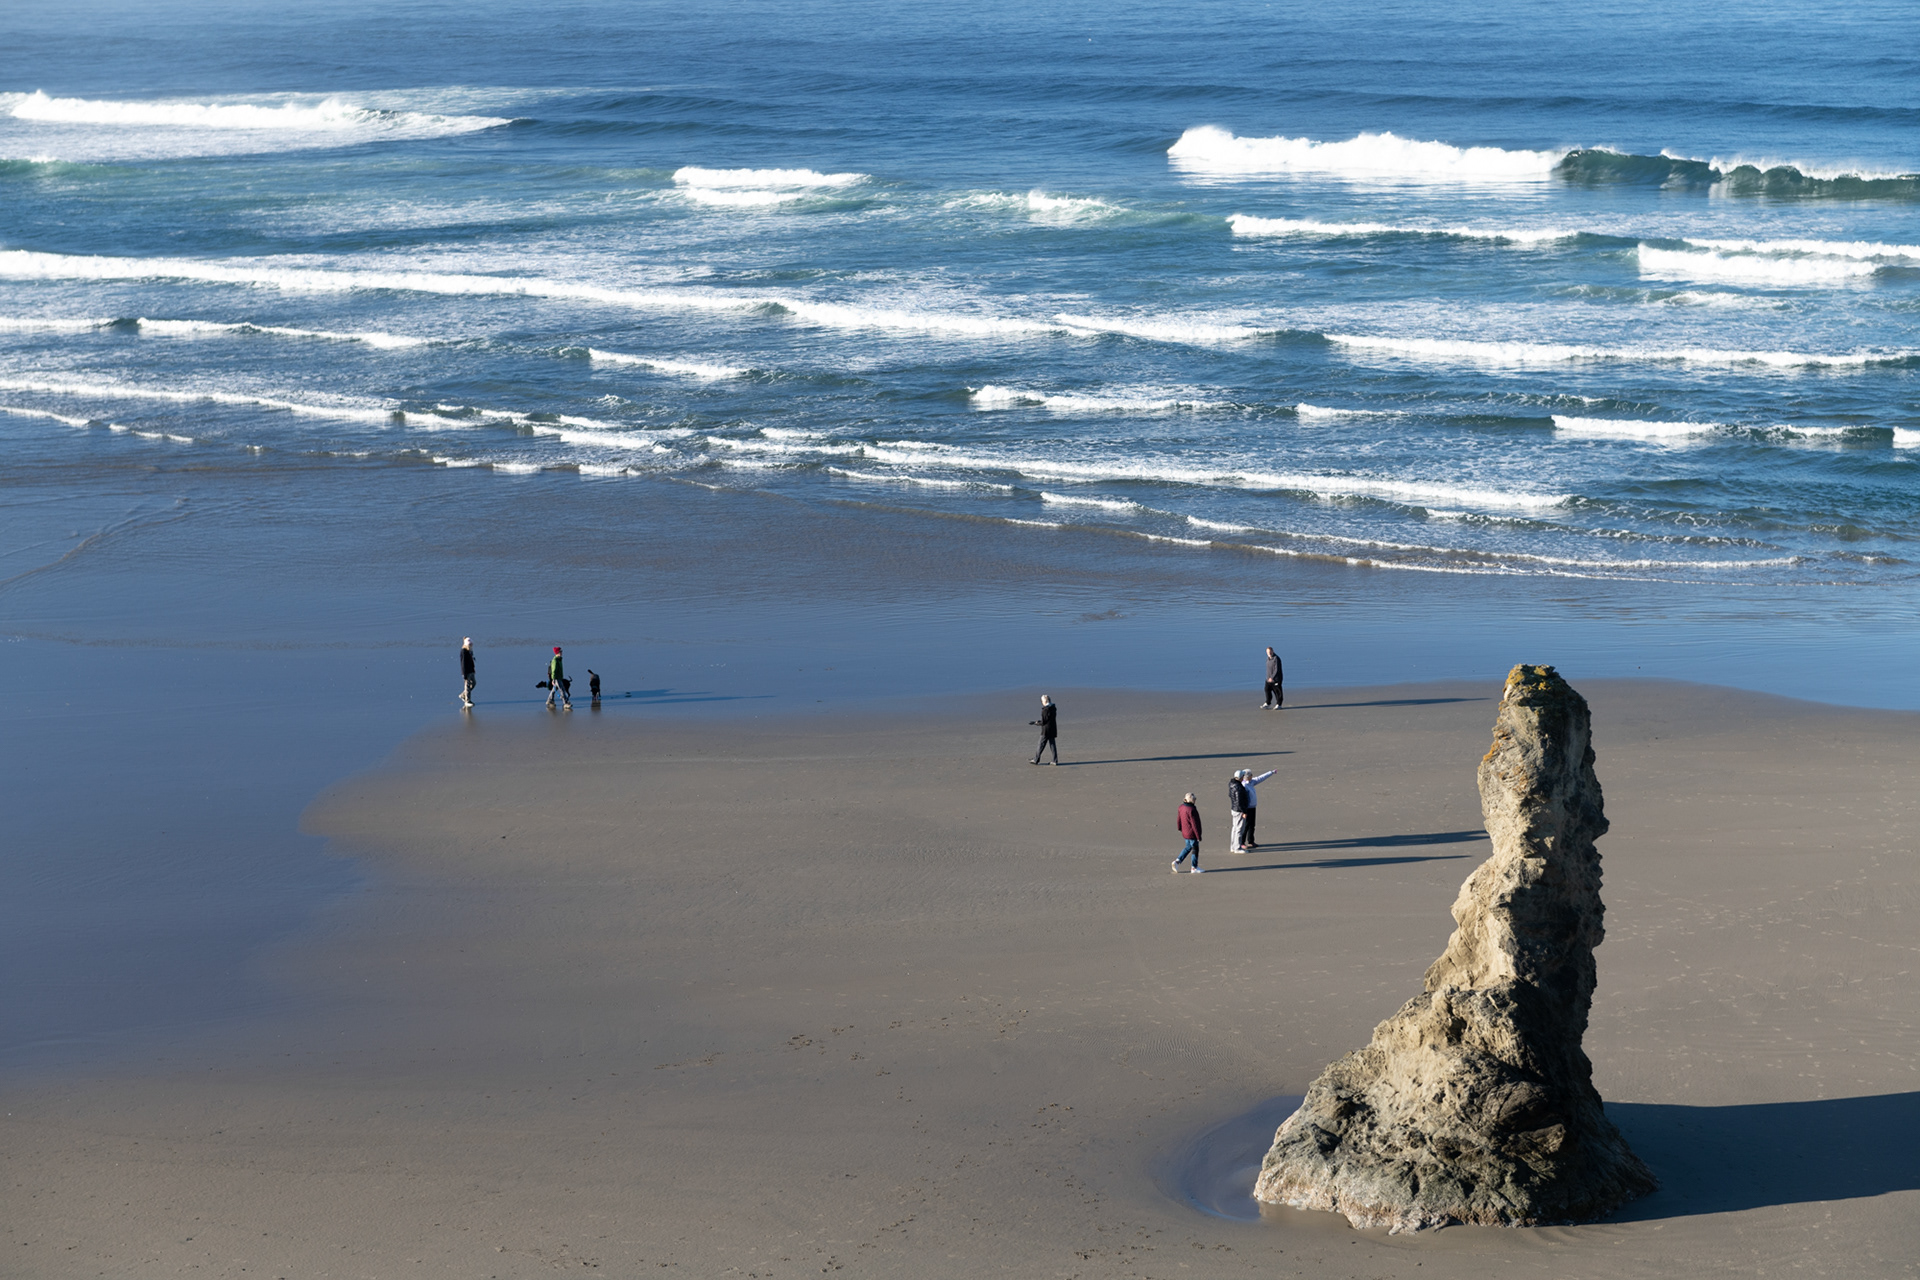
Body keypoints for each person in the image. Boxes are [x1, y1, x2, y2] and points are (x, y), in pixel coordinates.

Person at [1240, 767, 1275, 850]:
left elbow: (1261, 778)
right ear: (1247, 776)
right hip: (1247, 808)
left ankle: (1251, 841)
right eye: (1251, 775)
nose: (1252, 775)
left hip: (1253, 807)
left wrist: (1271, 772)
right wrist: (1243, 810)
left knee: (1252, 825)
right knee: (1246, 826)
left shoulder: (1252, 782)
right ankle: (1242, 842)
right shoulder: (1244, 785)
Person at [1173, 792, 1204, 873]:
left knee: (1188, 847)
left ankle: (1177, 861)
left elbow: (1178, 819)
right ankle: (1194, 867)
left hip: (1185, 832)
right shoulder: (1192, 810)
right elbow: (1195, 824)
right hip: (1192, 833)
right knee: (1195, 849)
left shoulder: (1181, 807)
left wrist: (1179, 828)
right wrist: (1198, 836)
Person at [1029, 694, 1058, 765]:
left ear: (1044, 702)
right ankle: (1055, 760)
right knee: (1052, 745)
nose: (1042, 702)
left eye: (1042, 701)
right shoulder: (1053, 708)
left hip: (1046, 730)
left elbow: (1043, 722)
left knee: (1040, 744)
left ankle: (1036, 759)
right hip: (1053, 728)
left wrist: (1036, 723)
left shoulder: (1045, 710)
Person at [1227, 770, 1249, 852]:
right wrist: (1244, 811)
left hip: (1234, 809)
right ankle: (1237, 848)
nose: (1243, 777)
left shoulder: (1232, 784)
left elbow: (1230, 795)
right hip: (1239, 810)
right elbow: (1240, 801)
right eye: (1243, 776)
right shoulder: (1238, 787)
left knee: (1235, 828)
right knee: (1239, 829)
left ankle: (1233, 846)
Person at [459, 636, 476, 707]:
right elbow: (463, 664)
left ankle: (463, 695)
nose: (471, 646)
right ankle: (467, 701)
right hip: (466, 672)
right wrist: (464, 674)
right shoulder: (463, 651)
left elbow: (471, 661)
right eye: (470, 645)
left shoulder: (469, 651)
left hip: (471, 670)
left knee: (474, 683)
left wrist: (473, 669)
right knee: (467, 686)